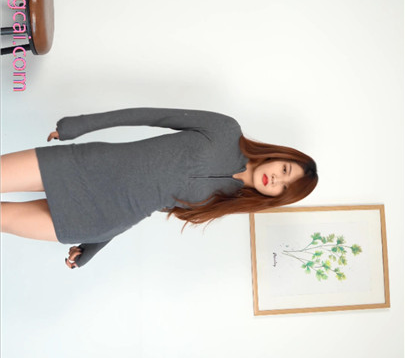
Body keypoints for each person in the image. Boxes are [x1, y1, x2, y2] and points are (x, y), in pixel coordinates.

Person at [1, 108, 318, 269]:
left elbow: (143, 205)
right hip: (85, 164)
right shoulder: (225, 130)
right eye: (285, 170)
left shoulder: (224, 202)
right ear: (278, 156)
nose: (277, 180)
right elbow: (151, 115)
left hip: (96, 220)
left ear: (276, 198)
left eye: (284, 188)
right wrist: (79, 125)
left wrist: (92, 245)